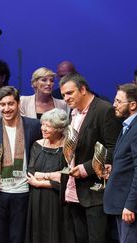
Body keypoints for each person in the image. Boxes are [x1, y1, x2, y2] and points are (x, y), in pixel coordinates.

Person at [59, 73, 122, 243]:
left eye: (70, 93)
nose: (65, 98)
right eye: (63, 94)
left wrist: (85, 169)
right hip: (73, 191)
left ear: (83, 89)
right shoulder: (73, 113)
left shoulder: (104, 109)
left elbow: (113, 149)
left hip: (95, 193)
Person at [0, 86, 42, 243]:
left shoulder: (34, 126)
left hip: (23, 193)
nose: (6, 109)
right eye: (2, 105)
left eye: (10, 104)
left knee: (18, 238)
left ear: (18, 103)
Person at [25, 108, 72, 243]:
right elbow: (31, 172)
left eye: (48, 126)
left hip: (58, 198)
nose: (43, 128)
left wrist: (41, 181)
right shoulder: (37, 145)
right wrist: (53, 176)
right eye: (42, 124)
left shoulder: (68, 148)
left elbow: (66, 177)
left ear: (58, 128)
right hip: (37, 198)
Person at [104, 83, 137, 243]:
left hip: (129, 207)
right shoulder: (127, 126)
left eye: (118, 101)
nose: (114, 105)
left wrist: (131, 205)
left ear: (132, 105)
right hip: (121, 204)